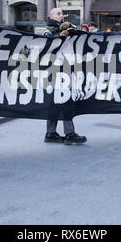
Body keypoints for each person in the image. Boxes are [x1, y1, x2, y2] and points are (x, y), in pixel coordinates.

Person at [42, 8, 87, 145]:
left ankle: (51, 133)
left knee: (56, 103)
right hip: (55, 70)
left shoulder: (67, 27)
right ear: (51, 16)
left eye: (62, 13)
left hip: (65, 68)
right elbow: (49, 47)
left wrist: (71, 27)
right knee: (63, 101)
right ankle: (69, 134)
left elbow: (80, 34)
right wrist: (61, 35)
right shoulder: (47, 31)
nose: (62, 15)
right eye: (58, 13)